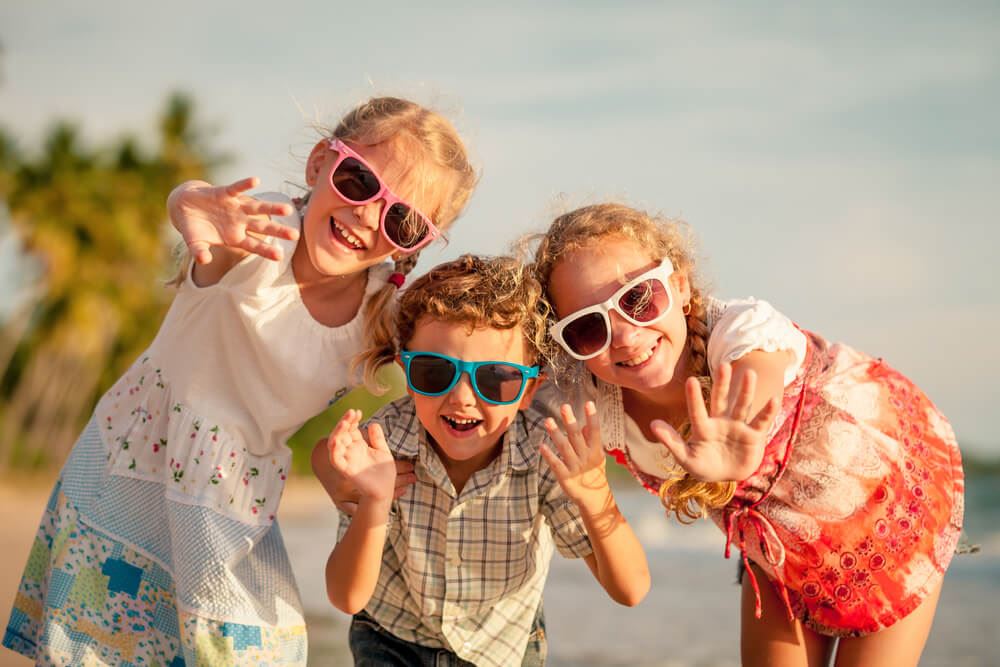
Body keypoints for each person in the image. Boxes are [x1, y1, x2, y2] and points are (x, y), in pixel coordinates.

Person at [2, 96, 477, 666]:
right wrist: (186, 202)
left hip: (236, 497)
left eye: (402, 219)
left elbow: (461, 362)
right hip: (137, 466)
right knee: (105, 647)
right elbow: (202, 218)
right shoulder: (261, 232)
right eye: (359, 181)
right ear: (320, 165)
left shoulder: (379, 317)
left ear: (415, 245)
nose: (369, 217)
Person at [530, 203, 964, 667]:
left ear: (679, 287)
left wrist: (741, 438)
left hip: (890, 504)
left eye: (638, 299)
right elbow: (499, 379)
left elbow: (755, 375)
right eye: (588, 327)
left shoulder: (737, 330)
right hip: (782, 547)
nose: (625, 335)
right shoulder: (589, 399)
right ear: (567, 344)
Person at [324, 255, 650, 667]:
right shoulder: (383, 444)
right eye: (434, 372)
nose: (461, 397)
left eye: (495, 378)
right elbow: (345, 596)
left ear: (530, 390)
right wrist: (373, 502)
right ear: (406, 370)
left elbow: (631, 590)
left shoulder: (543, 456)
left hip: (502, 648)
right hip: (392, 635)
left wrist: (596, 496)